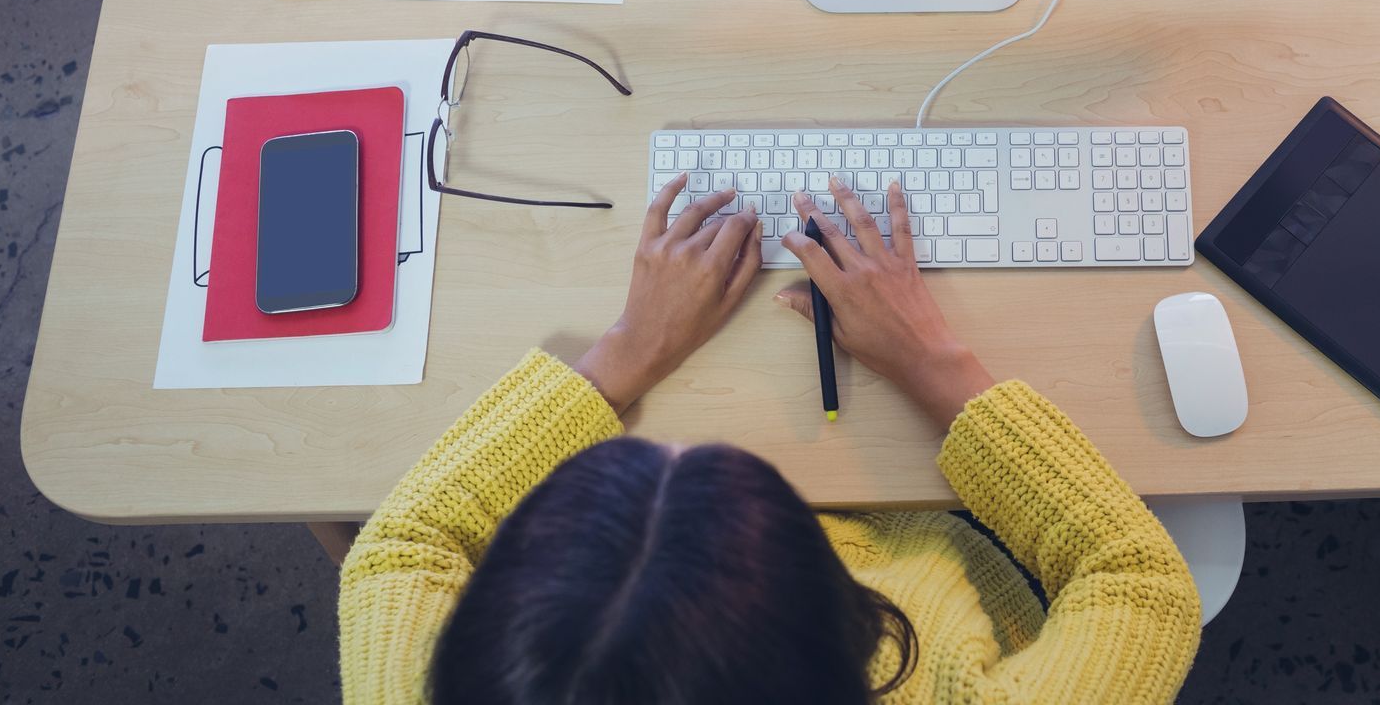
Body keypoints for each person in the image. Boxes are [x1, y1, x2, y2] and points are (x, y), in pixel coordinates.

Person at [339, 172, 1203, 704]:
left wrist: (627, 354)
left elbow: (398, 549)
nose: (678, 443)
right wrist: (932, 361)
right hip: (961, 543)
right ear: (848, 643)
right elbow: (1139, 581)